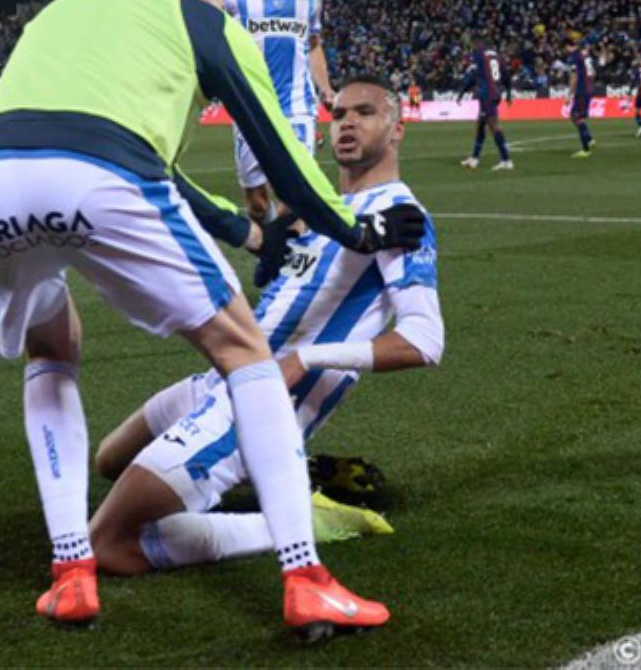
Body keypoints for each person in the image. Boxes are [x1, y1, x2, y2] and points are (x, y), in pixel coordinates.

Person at [0, 0, 424, 631]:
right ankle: (305, 576)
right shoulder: (202, 19)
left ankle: (71, 570)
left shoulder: (61, 12)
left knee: (51, 349)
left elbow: (152, 170)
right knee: (244, 355)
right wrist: (356, 230)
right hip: (101, 170)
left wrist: (249, 233)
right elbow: (282, 155)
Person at [87, 76, 444, 640]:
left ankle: (297, 521)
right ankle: (286, 486)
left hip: (261, 404)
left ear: (397, 129)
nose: (347, 122)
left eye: (366, 113)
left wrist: (307, 359)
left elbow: (423, 340)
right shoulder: (320, 211)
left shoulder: (401, 217)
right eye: (339, 113)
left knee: (107, 545)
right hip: (218, 380)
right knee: (107, 460)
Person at [225, 0, 335, 223]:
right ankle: (273, 247)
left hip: (298, 108)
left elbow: (313, 45)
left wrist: (326, 88)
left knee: (296, 198)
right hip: (250, 108)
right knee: (257, 205)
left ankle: (290, 266)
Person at [458, 45, 514, 171]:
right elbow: (506, 75)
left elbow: (474, 75)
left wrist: (462, 91)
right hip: (495, 93)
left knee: (493, 126)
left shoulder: (480, 56)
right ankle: (474, 158)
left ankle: (506, 160)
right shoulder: (497, 56)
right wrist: (509, 94)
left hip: (487, 95)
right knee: (480, 124)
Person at [567, 39, 596, 158]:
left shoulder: (575, 57)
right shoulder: (587, 56)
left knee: (577, 118)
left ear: (569, 46)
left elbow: (574, 76)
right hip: (589, 89)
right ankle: (589, 139)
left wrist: (570, 93)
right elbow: (593, 73)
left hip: (581, 90)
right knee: (575, 116)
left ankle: (586, 149)